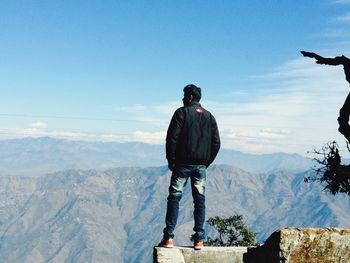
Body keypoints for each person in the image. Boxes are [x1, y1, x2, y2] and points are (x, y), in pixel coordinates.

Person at [159, 84, 221, 250]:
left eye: (184, 95)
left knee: (174, 198)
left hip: (182, 165)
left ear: (190, 97)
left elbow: (172, 138)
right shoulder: (210, 117)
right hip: (200, 166)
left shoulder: (181, 113)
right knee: (199, 201)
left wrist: (171, 160)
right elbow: (216, 143)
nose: (182, 98)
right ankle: (199, 239)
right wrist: (206, 161)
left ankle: (168, 237)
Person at [301, 51, 350, 141]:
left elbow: (329, 61)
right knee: (343, 119)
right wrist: (315, 56)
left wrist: (316, 57)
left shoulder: (346, 62)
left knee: (343, 118)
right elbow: (330, 61)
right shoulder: (346, 61)